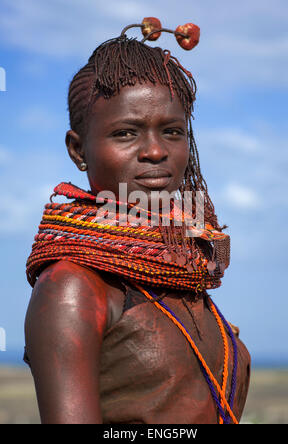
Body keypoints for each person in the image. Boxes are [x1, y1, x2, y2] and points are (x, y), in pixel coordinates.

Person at [23, 18, 251, 424]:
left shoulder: (184, 274)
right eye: (126, 133)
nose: (155, 152)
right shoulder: (73, 287)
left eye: (173, 131)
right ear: (78, 150)